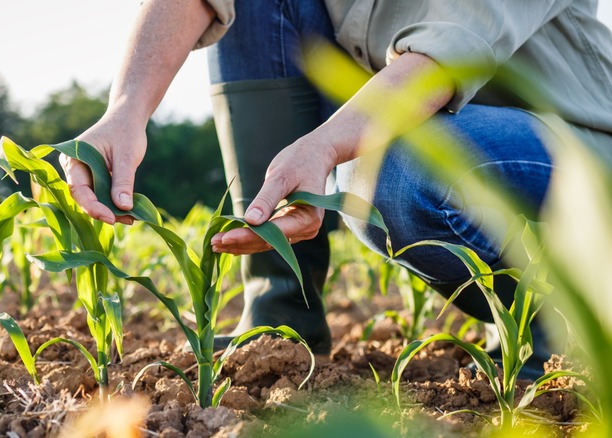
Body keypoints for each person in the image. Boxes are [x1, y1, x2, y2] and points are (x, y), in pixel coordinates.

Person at [60, 0, 612, 378]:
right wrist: (128, 108)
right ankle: (281, 314)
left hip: (570, 142)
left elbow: (451, 49)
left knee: (387, 171)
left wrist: (326, 147)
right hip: (417, 121)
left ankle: (568, 321)